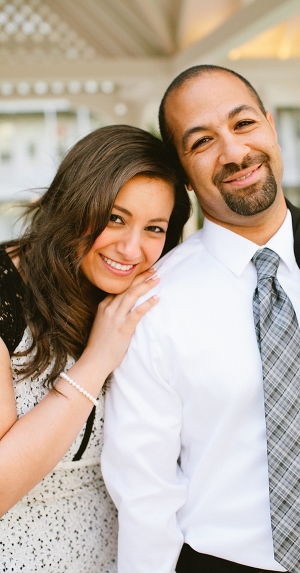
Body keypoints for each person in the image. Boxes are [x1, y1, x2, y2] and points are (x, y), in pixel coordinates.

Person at [101, 65, 300, 573]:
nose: (233, 152)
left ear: (271, 127)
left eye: (244, 124)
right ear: (183, 173)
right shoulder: (153, 304)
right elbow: (144, 488)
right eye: (202, 142)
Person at [0, 125, 190, 571]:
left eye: (154, 228)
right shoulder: (6, 290)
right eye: (115, 218)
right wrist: (97, 361)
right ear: (75, 204)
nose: (131, 248)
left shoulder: (149, 302)